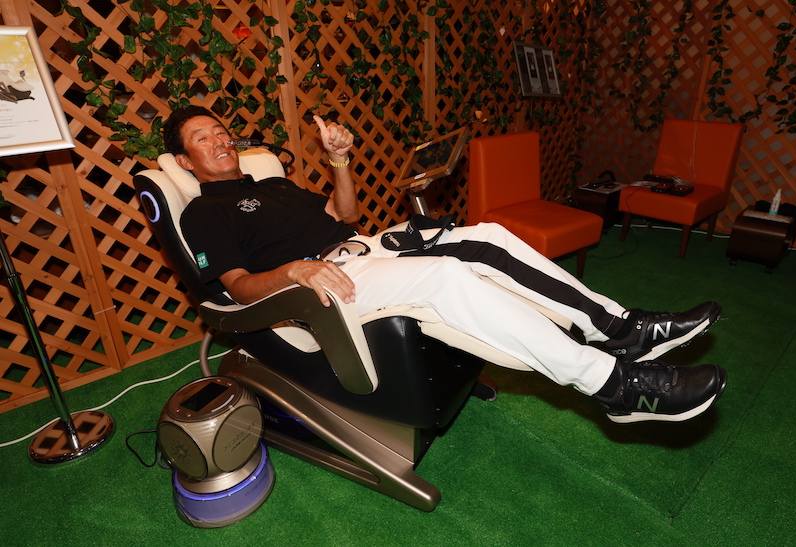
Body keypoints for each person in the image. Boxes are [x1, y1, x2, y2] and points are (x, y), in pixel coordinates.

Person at [165, 105, 726, 424]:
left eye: (221, 131)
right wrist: (295, 271)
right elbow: (238, 287)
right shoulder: (204, 214)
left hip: (365, 248)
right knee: (448, 277)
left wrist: (340, 161)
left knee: (486, 236)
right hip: (321, 287)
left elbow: (344, 213)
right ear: (185, 161)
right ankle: (613, 385)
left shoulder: (275, 185)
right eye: (201, 139)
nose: (219, 141)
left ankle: (620, 327)